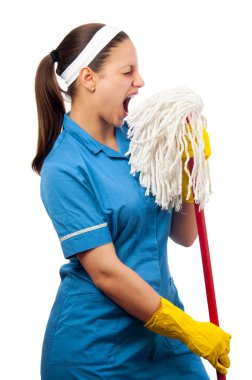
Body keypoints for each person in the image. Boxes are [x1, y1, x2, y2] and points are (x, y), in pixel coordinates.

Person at [32, 23, 231, 380]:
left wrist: (189, 171)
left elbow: (184, 236)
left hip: (162, 340)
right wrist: (188, 329)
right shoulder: (63, 168)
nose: (140, 82)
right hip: (95, 353)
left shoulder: (141, 142)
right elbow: (106, 272)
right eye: (128, 72)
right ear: (89, 79)